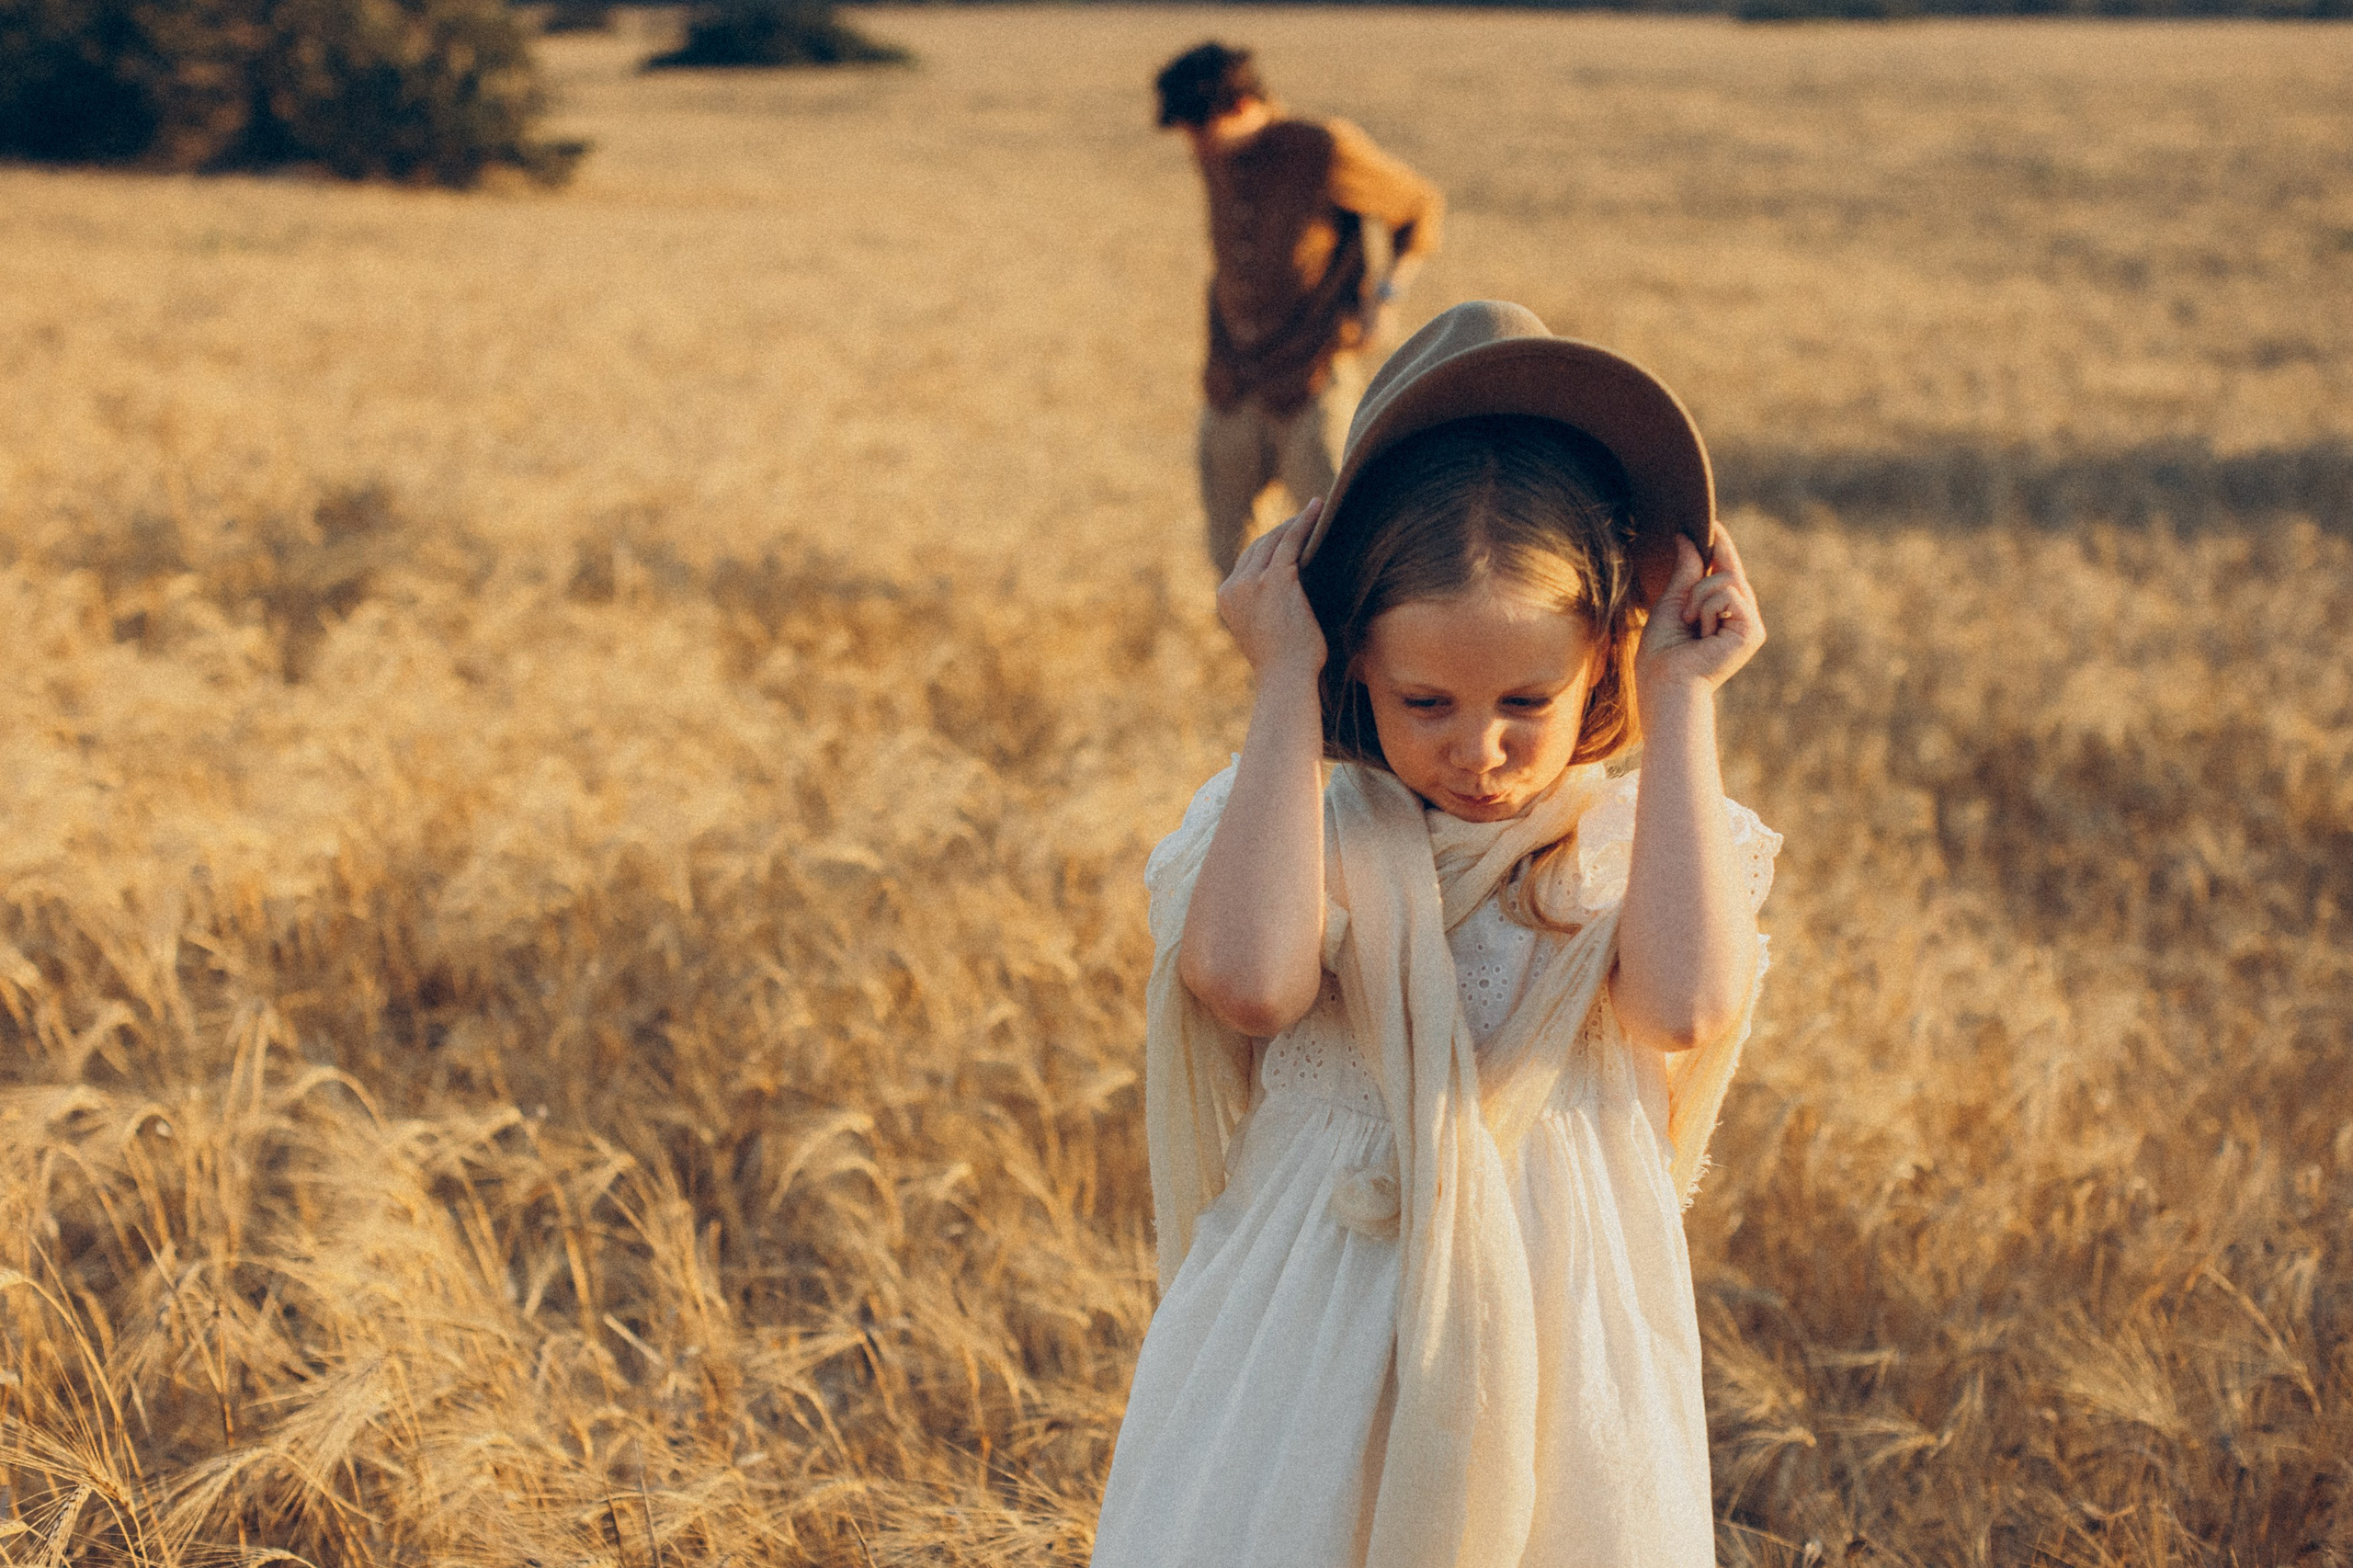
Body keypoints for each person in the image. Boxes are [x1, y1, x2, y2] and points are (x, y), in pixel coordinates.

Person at [1092, 301, 1782, 1568]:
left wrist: (1681, 703)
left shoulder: (1643, 835)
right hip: (1318, 1316)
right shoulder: (1300, 819)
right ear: (1350, 655)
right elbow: (1249, 983)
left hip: (1558, 1318)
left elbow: (1683, 1008)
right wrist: (1278, 687)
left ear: (1607, 661)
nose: (1480, 748)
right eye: (1426, 700)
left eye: (1531, 699)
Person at [1154, 40, 1446, 575]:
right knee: (1229, 552)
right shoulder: (1217, 154)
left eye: (1200, 130)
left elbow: (1418, 206)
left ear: (1241, 108)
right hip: (1231, 377)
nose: (1194, 146)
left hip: (1312, 374)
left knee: (1343, 546)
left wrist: (1387, 296)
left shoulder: (1322, 149)